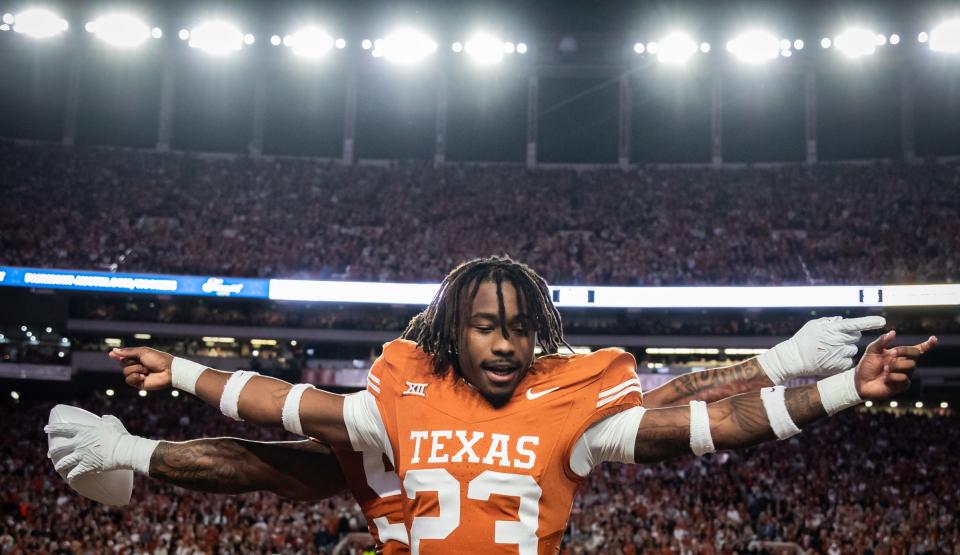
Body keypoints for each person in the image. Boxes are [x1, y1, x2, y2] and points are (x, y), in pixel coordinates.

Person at [54, 256, 935, 553]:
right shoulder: (403, 391)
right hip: (403, 498)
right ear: (451, 336)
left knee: (307, 469)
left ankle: (123, 454)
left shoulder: (566, 403)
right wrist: (176, 366)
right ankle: (125, 453)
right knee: (305, 466)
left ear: (540, 337)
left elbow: (694, 418)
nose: (505, 344)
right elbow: (285, 406)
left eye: (520, 330)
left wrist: (820, 381)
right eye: (484, 328)